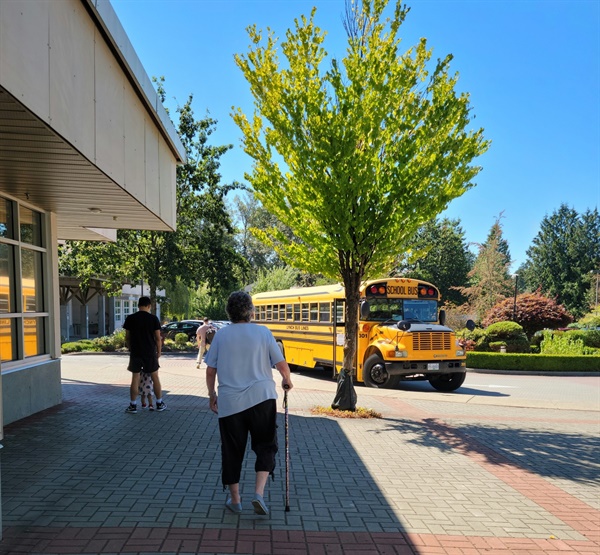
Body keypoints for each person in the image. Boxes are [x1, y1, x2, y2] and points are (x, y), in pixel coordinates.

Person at [205, 291, 292, 516]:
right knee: (265, 444)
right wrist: (287, 380)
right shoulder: (262, 332)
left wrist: (211, 395)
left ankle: (235, 500)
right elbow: (281, 364)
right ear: (251, 311)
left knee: (232, 450)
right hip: (262, 398)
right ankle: (259, 494)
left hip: (230, 402)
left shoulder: (222, 336)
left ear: (229, 312)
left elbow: (211, 369)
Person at [123, 296, 167, 413]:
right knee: (155, 377)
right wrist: (159, 352)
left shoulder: (130, 318)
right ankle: (159, 403)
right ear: (149, 306)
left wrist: (131, 348)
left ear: (138, 305)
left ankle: (133, 405)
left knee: (135, 377)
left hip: (136, 352)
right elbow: (158, 338)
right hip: (149, 352)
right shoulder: (153, 319)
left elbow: (127, 337)